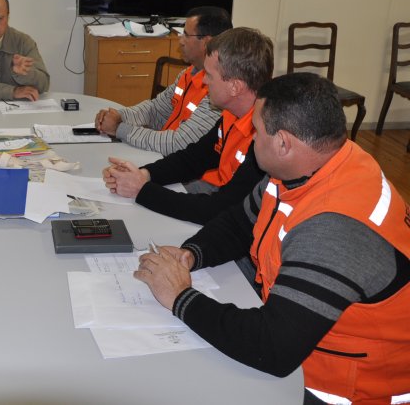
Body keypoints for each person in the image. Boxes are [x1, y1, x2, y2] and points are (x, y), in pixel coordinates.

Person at [136, 73, 410, 404]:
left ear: (283, 143)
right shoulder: (313, 166)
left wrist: (180, 296)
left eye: (257, 132)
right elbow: (240, 222)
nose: (252, 141)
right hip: (302, 345)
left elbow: (273, 347)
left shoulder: (335, 228)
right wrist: (191, 254)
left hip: (342, 387)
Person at [103, 27, 273, 225]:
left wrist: (142, 190)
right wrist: (143, 174)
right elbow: (193, 159)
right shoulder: (232, 114)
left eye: (209, 75)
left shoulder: (265, 136)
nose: (203, 80)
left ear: (235, 86)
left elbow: (221, 209)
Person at [94, 6, 231, 155]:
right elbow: (156, 111)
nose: (181, 40)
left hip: (187, 172)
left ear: (206, 42)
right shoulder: (187, 74)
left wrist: (119, 129)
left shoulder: (219, 91)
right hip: (164, 157)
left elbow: (178, 143)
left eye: (185, 35)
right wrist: (119, 116)